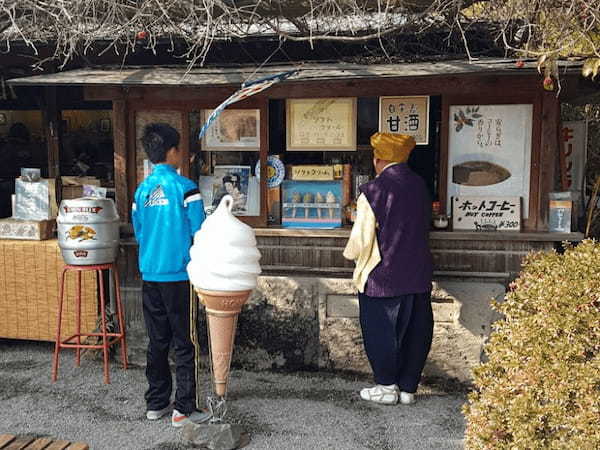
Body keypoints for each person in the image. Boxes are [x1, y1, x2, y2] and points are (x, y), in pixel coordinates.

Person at [343, 132, 433, 406]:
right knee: (416, 331)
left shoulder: (373, 190)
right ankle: (408, 388)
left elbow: (361, 239)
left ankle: (385, 386)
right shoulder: (420, 185)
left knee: (381, 331)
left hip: (382, 275)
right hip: (418, 272)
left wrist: (350, 255)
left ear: (378, 158)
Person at [132, 123, 210, 427]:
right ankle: (185, 408)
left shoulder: (142, 190)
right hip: (179, 276)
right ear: (174, 151)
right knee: (185, 341)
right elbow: (200, 232)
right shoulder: (187, 189)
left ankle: (156, 403)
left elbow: (140, 232)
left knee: (157, 340)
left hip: (150, 273)